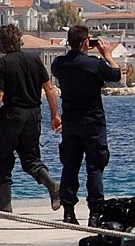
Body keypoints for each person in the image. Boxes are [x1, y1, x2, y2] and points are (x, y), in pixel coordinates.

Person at [0, 23, 61, 214]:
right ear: (19, 40)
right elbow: (49, 88)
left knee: (1, 157)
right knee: (31, 157)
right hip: (34, 114)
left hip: (12, 115)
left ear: (0, 44)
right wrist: (55, 115)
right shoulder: (34, 60)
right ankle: (52, 185)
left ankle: (5, 203)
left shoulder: (2, 64)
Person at [50, 25, 121, 225]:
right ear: (85, 43)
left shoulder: (59, 64)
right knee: (95, 167)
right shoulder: (94, 64)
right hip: (93, 122)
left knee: (70, 166)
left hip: (71, 122)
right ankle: (95, 213)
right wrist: (107, 54)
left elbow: (59, 66)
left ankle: (68, 211)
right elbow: (116, 75)